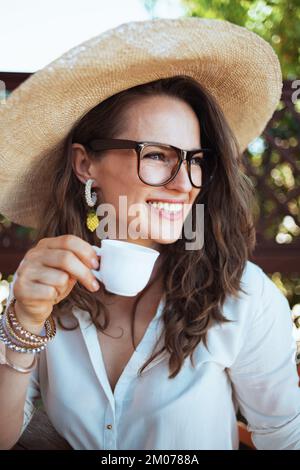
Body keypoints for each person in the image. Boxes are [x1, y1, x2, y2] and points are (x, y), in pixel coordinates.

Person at [0, 17, 299, 451]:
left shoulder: (242, 296)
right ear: (86, 164)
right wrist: (22, 324)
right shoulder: (44, 292)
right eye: (157, 155)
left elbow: (286, 438)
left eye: (194, 160)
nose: (185, 184)